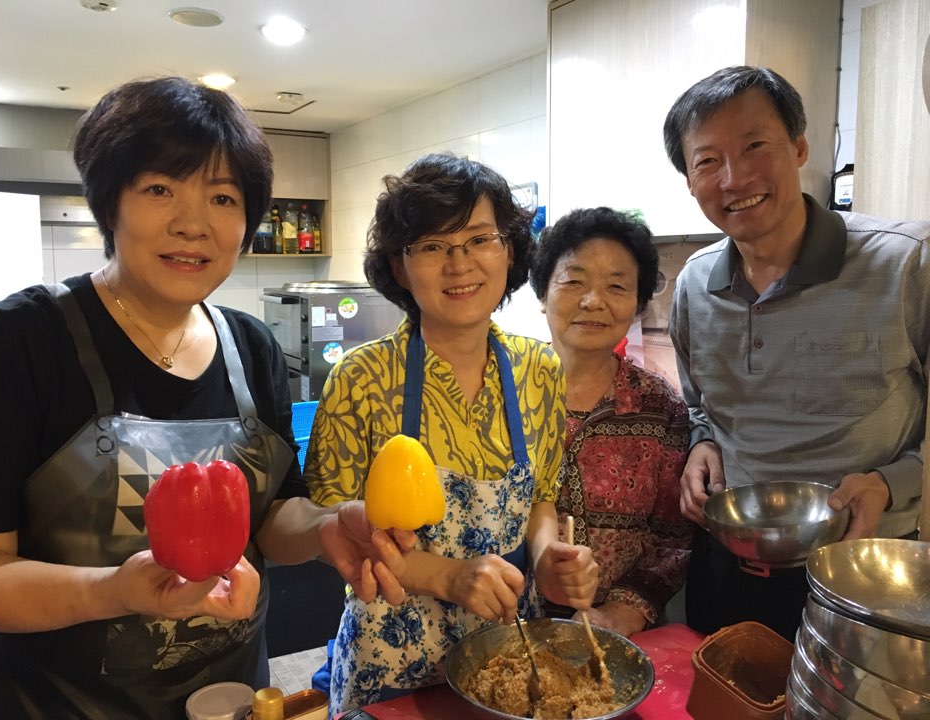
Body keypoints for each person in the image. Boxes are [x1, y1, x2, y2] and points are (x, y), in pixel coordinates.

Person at [0, 76, 412, 720]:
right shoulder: (12, 345)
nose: (192, 224)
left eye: (223, 197)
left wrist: (322, 528)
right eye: (159, 189)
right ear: (109, 203)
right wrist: (114, 591)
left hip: (231, 698)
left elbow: (271, 517)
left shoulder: (251, 346)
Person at [305, 152, 599, 715]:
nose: (460, 264)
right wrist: (447, 576)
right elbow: (330, 528)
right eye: (432, 246)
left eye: (480, 239)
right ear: (399, 266)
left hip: (509, 649)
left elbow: (540, 499)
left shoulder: (539, 369)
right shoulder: (361, 378)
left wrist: (547, 559)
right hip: (390, 655)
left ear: (509, 250)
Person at [663, 65, 930, 639]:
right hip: (730, 567)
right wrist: (702, 443)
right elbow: (700, 405)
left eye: (754, 146)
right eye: (707, 161)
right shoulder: (693, 286)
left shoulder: (908, 263)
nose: (734, 178)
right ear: (689, 180)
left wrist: (892, 482)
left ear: (800, 147)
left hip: (867, 571)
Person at [529, 206, 693, 638]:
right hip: (503, 627)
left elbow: (672, 540)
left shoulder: (660, 408)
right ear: (542, 292)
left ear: (637, 305)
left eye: (616, 286)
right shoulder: (503, 392)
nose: (593, 301)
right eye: (574, 281)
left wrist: (620, 614)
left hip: (614, 639)